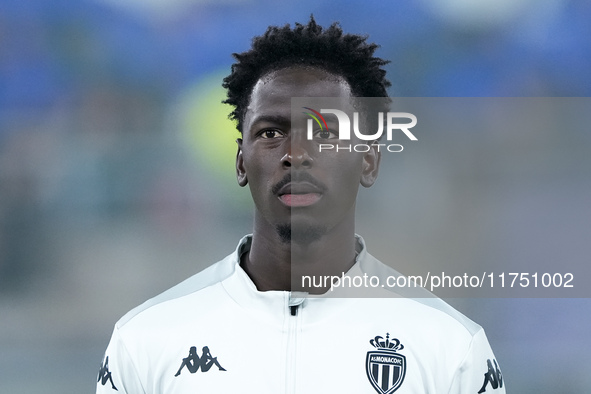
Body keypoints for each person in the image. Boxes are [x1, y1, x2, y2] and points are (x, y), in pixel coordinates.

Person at [97, 17, 505, 393]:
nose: (295, 154)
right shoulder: (145, 340)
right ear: (241, 162)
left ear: (369, 159)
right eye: (272, 132)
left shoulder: (451, 349)